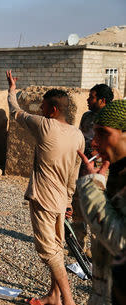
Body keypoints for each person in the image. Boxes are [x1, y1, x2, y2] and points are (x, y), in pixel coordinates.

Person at [6, 70, 84, 305]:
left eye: (43, 108)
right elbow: (74, 173)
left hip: (44, 198)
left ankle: (68, 301)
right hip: (61, 199)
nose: (39, 111)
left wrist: (11, 90)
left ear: (52, 110)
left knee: (49, 251)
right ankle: (54, 296)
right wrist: (69, 200)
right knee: (57, 248)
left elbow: (14, 111)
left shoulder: (45, 125)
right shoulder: (78, 135)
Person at [77, 99, 125, 305]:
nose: (94, 142)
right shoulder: (116, 173)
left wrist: (90, 187)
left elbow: (121, 242)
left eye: (103, 133)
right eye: (94, 134)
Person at [70, 84, 114, 255]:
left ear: (102, 101)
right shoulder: (87, 117)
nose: (88, 100)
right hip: (83, 168)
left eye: (92, 97)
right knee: (78, 208)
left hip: (102, 171)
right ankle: (79, 246)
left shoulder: (115, 119)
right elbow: (81, 138)